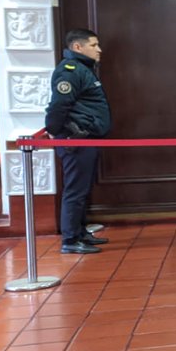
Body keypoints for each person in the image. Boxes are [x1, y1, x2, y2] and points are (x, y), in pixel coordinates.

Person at [45, 28, 111, 255]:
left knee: (82, 188)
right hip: (76, 139)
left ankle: (80, 232)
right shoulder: (71, 71)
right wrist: (54, 130)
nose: (99, 49)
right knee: (75, 189)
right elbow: (59, 105)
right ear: (77, 47)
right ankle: (71, 239)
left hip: (87, 139)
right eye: (94, 45)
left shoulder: (83, 69)